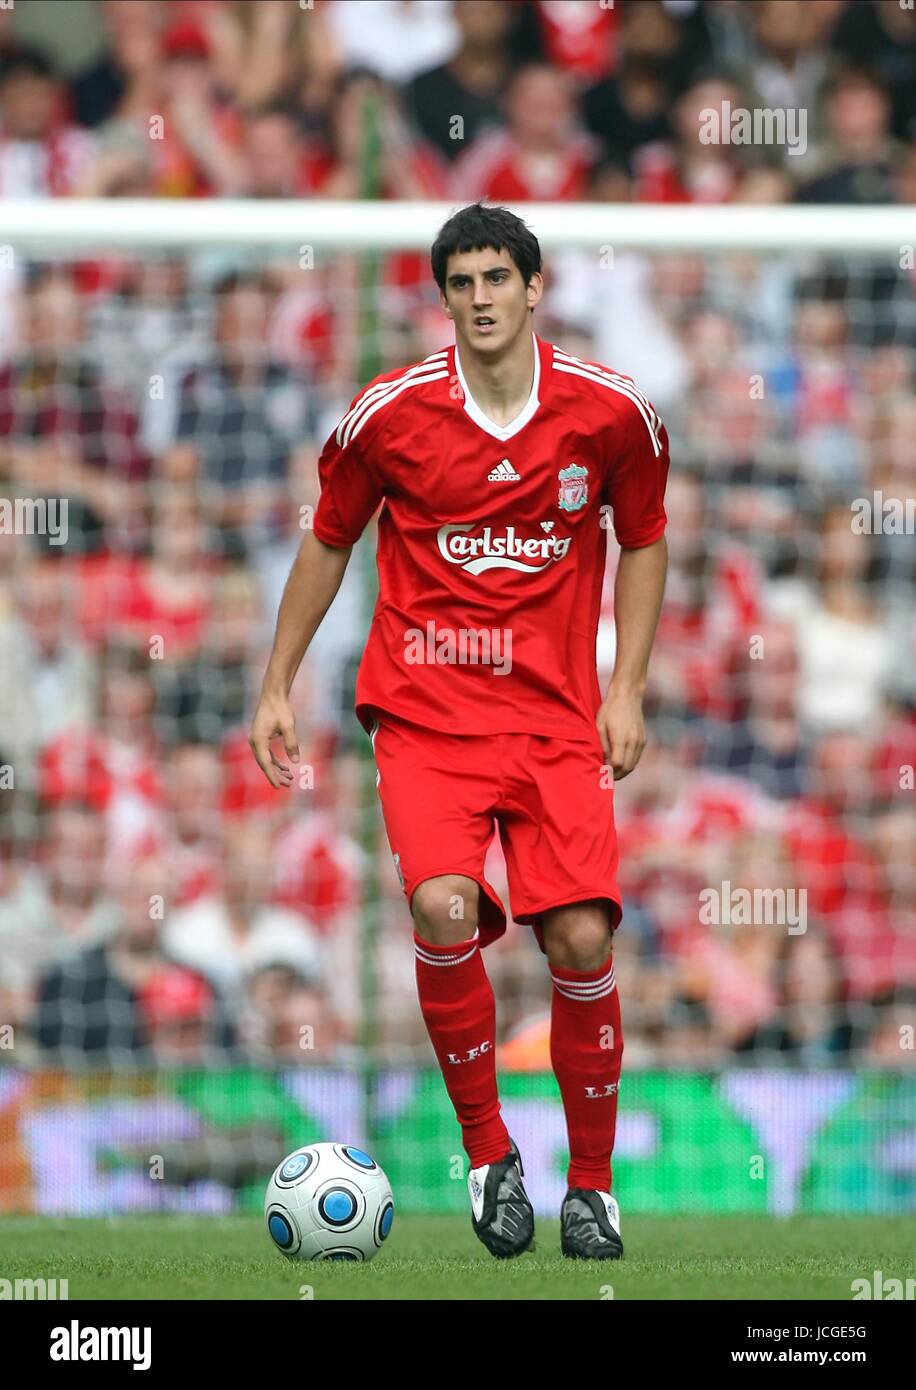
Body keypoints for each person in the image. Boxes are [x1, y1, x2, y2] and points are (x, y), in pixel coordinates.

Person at [249, 203, 670, 1261]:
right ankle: (489, 1155)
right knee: (442, 909)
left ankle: (592, 1188)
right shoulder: (386, 417)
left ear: (535, 288)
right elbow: (327, 541)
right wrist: (277, 682)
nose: (480, 297)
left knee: (579, 937)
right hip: (426, 717)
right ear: (444, 299)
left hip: (555, 721)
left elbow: (646, 537)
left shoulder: (610, 413)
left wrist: (627, 689)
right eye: (461, 282)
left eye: (497, 278)